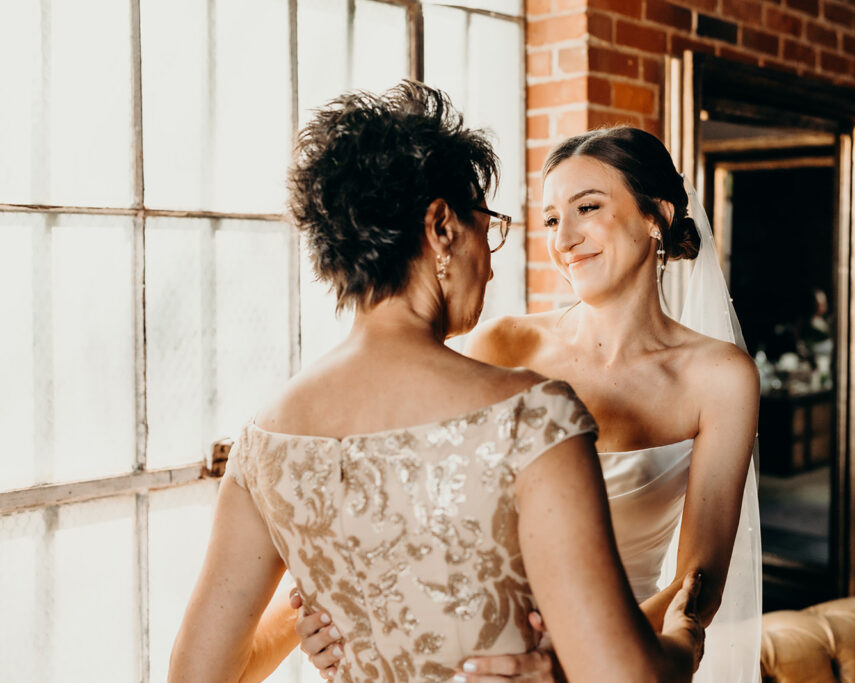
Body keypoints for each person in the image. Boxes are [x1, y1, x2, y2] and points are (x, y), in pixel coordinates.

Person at [168, 82, 704, 683]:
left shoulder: (262, 440)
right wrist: (685, 640)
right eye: (487, 226)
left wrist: (318, 622)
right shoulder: (532, 415)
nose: (492, 259)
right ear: (443, 227)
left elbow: (194, 674)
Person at [295, 127, 763, 683]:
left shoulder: (722, 378)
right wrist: (338, 619)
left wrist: (580, 662)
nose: (564, 238)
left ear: (655, 216)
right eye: (549, 220)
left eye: (587, 207)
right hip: (484, 658)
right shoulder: (502, 345)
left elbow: (696, 587)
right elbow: (425, 525)